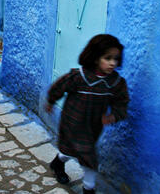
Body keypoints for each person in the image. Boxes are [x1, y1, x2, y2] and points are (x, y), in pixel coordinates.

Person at [45, 34, 130, 194]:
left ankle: (57, 163)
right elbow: (59, 87)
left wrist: (114, 116)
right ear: (96, 57)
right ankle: (88, 188)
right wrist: (51, 101)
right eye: (108, 58)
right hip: (72, 122)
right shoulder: (79, 76)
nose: (112, 63)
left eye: (116, 59)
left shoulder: (115, 83)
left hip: (92, 127)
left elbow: (121, 102)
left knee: (70, 151)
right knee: (89, 159)